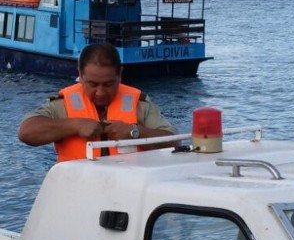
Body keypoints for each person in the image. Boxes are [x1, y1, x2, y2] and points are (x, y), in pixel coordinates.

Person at [17, 44, 176, 161]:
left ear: (119, 75)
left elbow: (174, 142)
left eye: (108, 84)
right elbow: (26, 132)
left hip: (128, 195)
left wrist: (135, 132)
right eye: (93, 84)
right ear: (80, 74)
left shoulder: (140, 106)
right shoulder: (62, 105)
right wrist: (74, 125)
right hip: (78, 192)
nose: (100, 92)